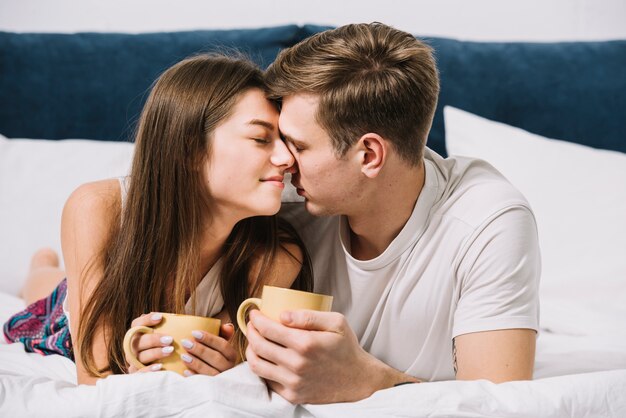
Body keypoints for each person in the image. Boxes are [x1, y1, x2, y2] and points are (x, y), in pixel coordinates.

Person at [243, 22, 540, 404]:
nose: (282, 160)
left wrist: (365, 380)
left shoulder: (486, 221)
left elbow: (501, 408)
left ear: (369, 155)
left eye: (298, 146)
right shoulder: (278, 197)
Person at [3, 54, 313, 385]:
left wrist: (224, 360)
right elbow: (94, 374)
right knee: (46, 289)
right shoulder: (95, 207)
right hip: (71, 319)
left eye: (285, 141)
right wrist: (126, 357)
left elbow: (225, 352)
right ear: (191, 149)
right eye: (261, 139)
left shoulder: (278, 255)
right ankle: (41, 264)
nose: (286, 159)